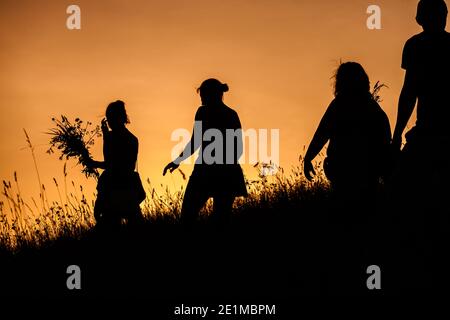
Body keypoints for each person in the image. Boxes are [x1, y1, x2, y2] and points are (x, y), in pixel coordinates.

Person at [390, 0, 450, 291]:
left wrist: (397, 134)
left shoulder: (415, 46)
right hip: (433, 134)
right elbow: (409, 91)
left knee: (406, 194)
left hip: (429, 133)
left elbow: (409, 91)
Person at [304, 62, 391, 219]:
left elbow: (322, 132)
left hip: (343, 173)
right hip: (368, 175)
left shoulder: (339, 105)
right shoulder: (374, 109)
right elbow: (385, 141)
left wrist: (309, 157)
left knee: (343, 216)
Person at [163, 78, 247, 226]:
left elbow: (195, 142)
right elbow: (238, 148)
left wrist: (178, 160)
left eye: (203, 94)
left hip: (208, 171)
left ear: (212, 94)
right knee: (220, 218)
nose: (201, 98)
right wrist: (177, 160)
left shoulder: (203, 112)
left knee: (190, 216)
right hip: (223, 171)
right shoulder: (231, 114)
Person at [87, 100, 145, 231]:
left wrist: (92, 163)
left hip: (115, 190)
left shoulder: (112, 138)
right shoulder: (132, 139)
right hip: (129, 189)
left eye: (110, 118)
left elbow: (110, 164)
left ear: (117, 118)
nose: (109, 122)